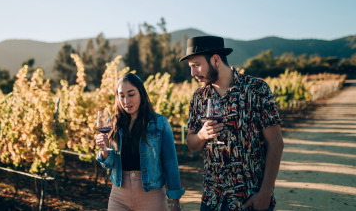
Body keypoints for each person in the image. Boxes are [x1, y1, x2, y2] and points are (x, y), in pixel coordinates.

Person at [180, 36, 284, 211]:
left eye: (196, 65)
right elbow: (191, 144)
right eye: (191, 67)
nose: (193, 73)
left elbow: (276, 143)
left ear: (215, 60)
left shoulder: (256, 89)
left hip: (249, 198)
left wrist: (265, 193)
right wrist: (201, 135)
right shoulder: (198, 97)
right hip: (213, 199)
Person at [96, 72, 185, 211]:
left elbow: (170, 162)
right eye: (122, 96)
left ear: (141, 94)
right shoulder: (112, 123)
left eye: (131, 95)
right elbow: (108, 165)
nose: (126, 101)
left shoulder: (159, 123)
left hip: (152, 196)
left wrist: (175, 200)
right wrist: (104, 148)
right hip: (119, 195)